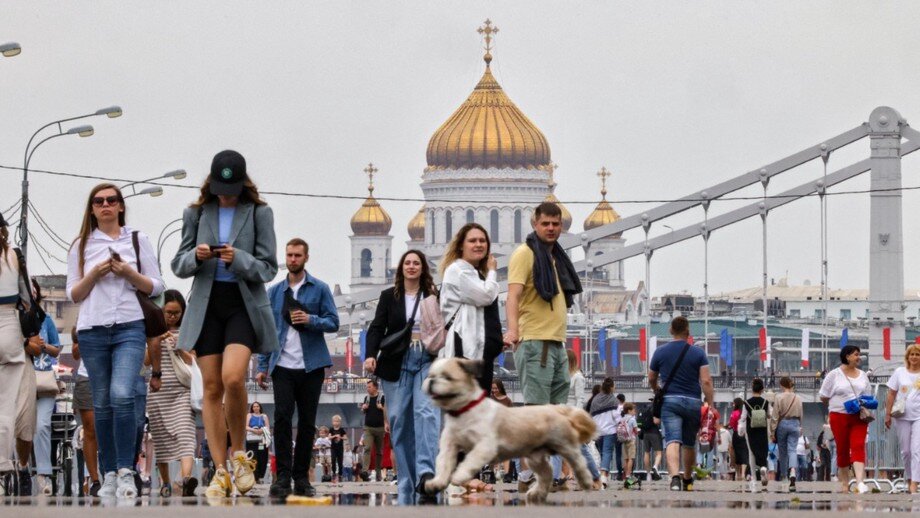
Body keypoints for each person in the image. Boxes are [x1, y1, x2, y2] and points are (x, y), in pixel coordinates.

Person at [172, 150, 279, 497]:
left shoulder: (260, 213)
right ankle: (220, 470)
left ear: (243, 184)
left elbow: (268, 267)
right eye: (220, 188)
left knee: (234, 377)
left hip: (243, 305)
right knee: (211, 389)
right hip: (207, 305)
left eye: (231, 188)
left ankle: (239, 458)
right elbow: (178, 264)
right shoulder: (196, 213)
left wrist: (240, 259)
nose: (225, 195)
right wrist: (197, 255)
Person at [67, 183, 165, 498]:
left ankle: (126, 469)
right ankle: (108, 472)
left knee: (122, 394)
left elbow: (157, 286)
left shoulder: (138, 239)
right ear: (92, 209)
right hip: (92, 329)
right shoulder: (81, 245)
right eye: (99, 201)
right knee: (103, 403)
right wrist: (94, 273)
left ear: (121, 206)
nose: (106, 205)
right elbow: (73, 293)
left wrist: (127, 273)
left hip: (130, 326)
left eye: (112, 200)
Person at [504, 202, 582, 490]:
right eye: (546, 223)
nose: (551, 228)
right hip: (535, 342)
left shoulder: (555, 258)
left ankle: (538, 475)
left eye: (556, 223)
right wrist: (512, 329)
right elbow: (512, 296)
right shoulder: (525, 254)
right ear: (535, 224)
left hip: (557, 343)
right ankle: (529, 478)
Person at [256, 237, 337, 497]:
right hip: (282, 366)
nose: (293, 259)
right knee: (281, 419)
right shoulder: (275, 292)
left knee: (307, 423)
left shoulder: (320, 289)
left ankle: (302, 477)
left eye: (297, 255)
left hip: (311, 366)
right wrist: (261, 365)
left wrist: (311, 319)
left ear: (306, 258)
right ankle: (282, 477)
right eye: (289, 255)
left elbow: (333, 321)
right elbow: (267, 330)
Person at [364, 249, 440, 503]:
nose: (411, 266)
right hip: (397, 362)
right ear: (401, 268)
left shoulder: (432, 294)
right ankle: (407, 479)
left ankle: (426, 474)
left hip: (427, 360)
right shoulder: (389, 296)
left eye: (416, 263)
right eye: (407, 263)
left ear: (422, 268)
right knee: (399, 421)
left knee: (426, 413)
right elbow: (376, 328)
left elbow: (444, 325)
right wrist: (370, 354)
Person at [648, 316, 713, 492]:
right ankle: (687, 479)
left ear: (671, 331)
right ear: (688, 331)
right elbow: (706, 381)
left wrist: (657, 390)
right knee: (689, 443)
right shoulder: (698, 353)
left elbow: (651, 378)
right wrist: (711, 404)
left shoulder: (660, 352)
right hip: (693, 402)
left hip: (670, 401)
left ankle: (674, 478)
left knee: (672, 440)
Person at [146, 289, 198, 497]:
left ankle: (186, 479)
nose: (172, 316)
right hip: (158, 393)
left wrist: (179, 347)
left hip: (182, 391)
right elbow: (145, 362)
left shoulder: (189, 331)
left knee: (186, 434)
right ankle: (165, 482)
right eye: (168, 312)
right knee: (161, 439)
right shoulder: (152, 331)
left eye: (176, 312)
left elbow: (193, 360)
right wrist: (156, 342)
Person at [439, 224, 501, 390]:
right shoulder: (458, 271)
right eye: (472, 241)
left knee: (478, 408)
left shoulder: (475, 273)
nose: (478, 244)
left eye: (482, 240)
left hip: (479, 354)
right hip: (466, 351)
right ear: (461, 245)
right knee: (467, 408)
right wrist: (493, 272)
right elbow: (486, 296)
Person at [819, 344, 873, 494]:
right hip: (838, 416)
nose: (858, 357)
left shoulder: (862, 375)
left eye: (859, 354)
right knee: (842, 449)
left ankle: (860, 482)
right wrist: (836, 405)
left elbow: (868, 396)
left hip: (859, 417)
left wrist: (862, 404)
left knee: (858, 446)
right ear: (847, 356)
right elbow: (823, 395)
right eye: (856, 354)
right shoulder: (834, 375)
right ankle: (844, 483)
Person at [28, 280, 62, 496]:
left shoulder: (46, 319)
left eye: (33, 288)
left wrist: (43, 346)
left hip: (44, 381)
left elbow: (57, 349)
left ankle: (43, 475)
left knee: (42, 426)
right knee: (14, 429)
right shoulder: (10, 319)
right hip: (20, 378)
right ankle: (17, 471)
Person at [885, 343, 920, 494]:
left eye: (917, 354)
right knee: (906, 451)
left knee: (916, 450)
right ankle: (909, 477)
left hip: (918, 416)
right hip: (902, 417)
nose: (914, 357)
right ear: (907, 357)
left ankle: (914, 483)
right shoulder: (899, 372)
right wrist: (887, 414)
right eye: (912, 354)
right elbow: (891, 393)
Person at [71, 327, 100, 496]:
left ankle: (111, 472)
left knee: (109, 428)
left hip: (111, 375)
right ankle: (95, 480)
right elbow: (75, 354)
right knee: (90, 430)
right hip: (86, 376)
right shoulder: (85, 315)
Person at [771, 376, 803, 491]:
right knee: (792, 450)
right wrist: (800, 426)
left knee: (783, 452)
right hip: (795, 423)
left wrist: (772, 431)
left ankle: (784, 476)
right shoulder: (798, 398)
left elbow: (775, 416)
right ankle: (793, 471)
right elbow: (800, 413)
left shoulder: (779, 397)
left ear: (782, 385)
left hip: (783, 424)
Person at [589, 377, 619, 487]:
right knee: (607, 452)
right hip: (610, 430)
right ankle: (603, 476)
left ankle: (602, 474)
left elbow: (592, 415)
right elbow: (617, 417)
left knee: (602, 452)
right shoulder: (613, 400)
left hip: (598, 431)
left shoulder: (596, 399)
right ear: (612, 387)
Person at [358, 380, 387, 481]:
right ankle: (365, 471)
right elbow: (363, 411)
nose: (368, 388)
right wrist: (363, 408)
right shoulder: (367, 398)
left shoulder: (382, 398)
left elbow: (387, 411)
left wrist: (382, 408)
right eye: (367, 387)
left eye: (369, 386)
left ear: (375, 387)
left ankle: (378, 470)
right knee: (367, 448)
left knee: (379, 451)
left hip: (380, 428)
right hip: (368, 428)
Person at [744, 378, 770, 487]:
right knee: (763, 450)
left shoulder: (746, 403)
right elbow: (769, 415)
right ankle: (763, 467)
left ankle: (754, 477)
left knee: (752, 453)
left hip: (751, 431)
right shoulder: (765, 402)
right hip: (762, 430)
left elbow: (743, 417)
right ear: (762, 390)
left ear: (752, 389)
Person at [244, 402, 270, 485]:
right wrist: (254, 430)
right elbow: (246, 426)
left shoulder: (264, 416)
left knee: (262, 458)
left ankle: (260, 476)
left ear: (260, 407)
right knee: (252, 458)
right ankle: (254, 477)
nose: (255, 408)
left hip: (261, 440)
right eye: (254, 406)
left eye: (257, 406)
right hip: (251, 441)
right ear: (252, 408)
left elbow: (267, 427)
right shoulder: (249, 415)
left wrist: (261, 430)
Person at [638, 402, 663, 481]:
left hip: (645, 433)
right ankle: (655, 467)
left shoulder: (645, 408)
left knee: (646, 452)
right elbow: (656, 421)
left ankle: (648, 474)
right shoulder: (655, 409)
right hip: (654, 433)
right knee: (659, 453)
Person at [620, 403, 640, 488]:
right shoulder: (632, 419)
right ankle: (628, 477)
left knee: (626, 459)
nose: (635, 412)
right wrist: (639, 430)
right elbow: (636, 431)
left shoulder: (622, 419)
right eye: (633, 410)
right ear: (629, 410)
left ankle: (625, 477)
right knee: (631, 458)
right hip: (631, 440)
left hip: (624, 440)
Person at [729, 398, 748, 481]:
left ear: (736, 404)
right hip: (744, 435)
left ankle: (738, 474)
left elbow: (732, 424)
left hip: (736, 434)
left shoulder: (734, 413)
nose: (733, 405)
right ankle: (743, 473)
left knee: (736, 453)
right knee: (744, 452)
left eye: (733, 403)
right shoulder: (744, 413)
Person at [329, 415, 347, 483]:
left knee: (340, 461)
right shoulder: (331, 429)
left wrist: (340, 437)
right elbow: (329, 437)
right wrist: (334, 436)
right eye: (334, 421)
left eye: (337, 421)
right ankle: (333, 472)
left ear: (339, 422)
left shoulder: (341, 429)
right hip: (333, 448)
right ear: (332, 422)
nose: (336, 423)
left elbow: (345, 438)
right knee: (333, 459)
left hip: (340, 448)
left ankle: (340, 473)